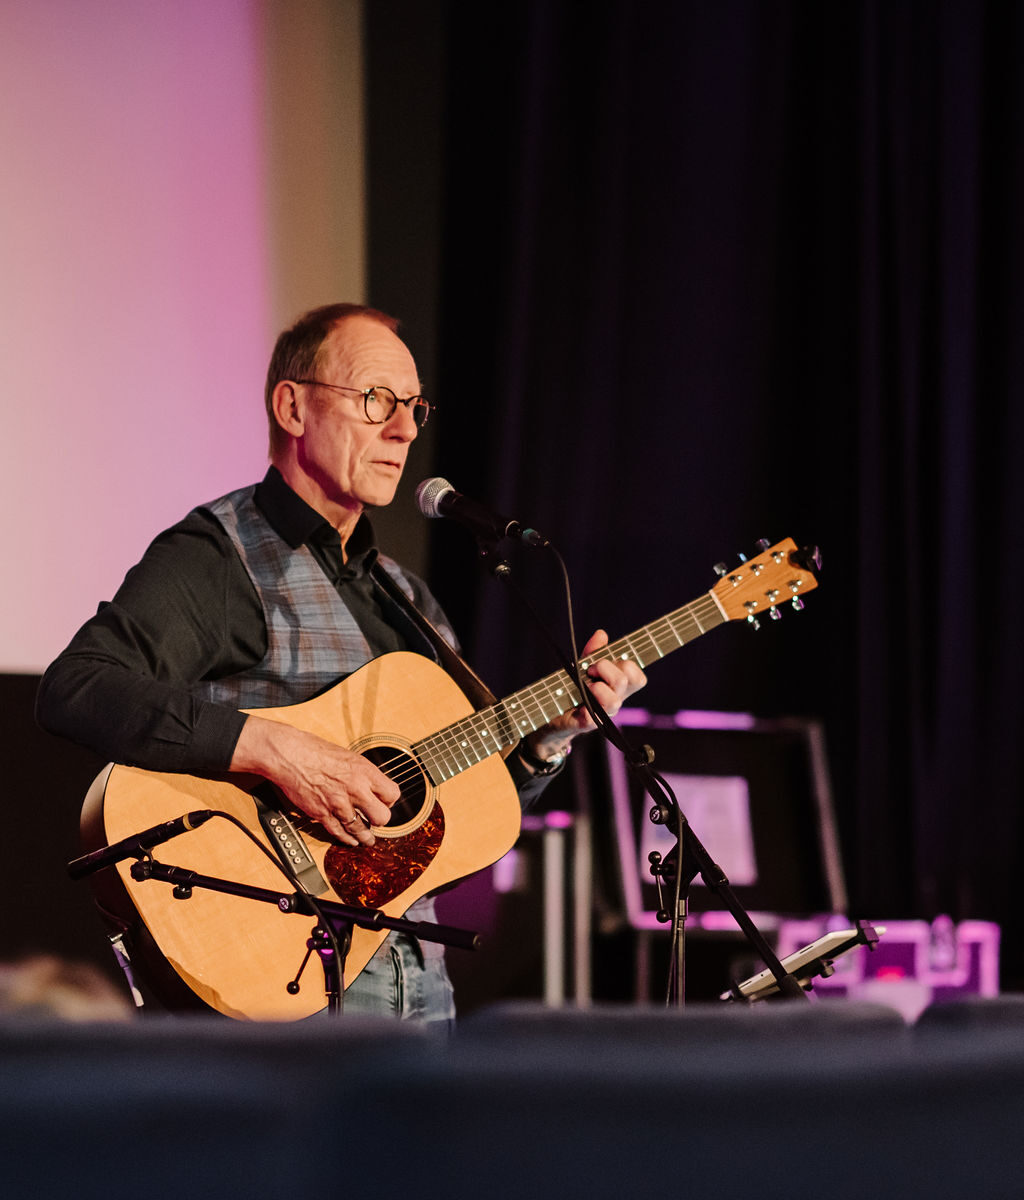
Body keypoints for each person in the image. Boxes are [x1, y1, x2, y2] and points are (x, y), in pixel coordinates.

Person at [37, 303, 646, 1023]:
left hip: (422, 979)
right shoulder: (217, 557)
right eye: (377, 399)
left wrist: (551, 738)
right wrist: (275, 750)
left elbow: (462, 811)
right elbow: (76, 687)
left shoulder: (408, 599)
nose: (406, 429)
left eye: (415, 406)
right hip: (286, 970)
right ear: (293, 407)